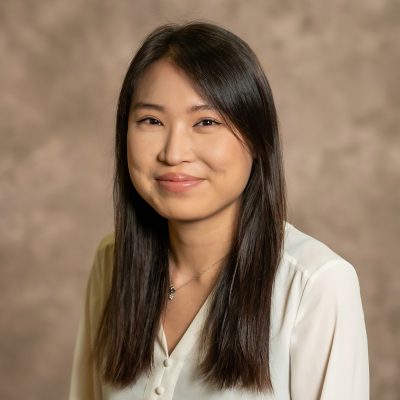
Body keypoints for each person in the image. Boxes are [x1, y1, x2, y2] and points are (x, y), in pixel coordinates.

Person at [69, 21, 369, 400]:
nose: (174, 153)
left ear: (259, 140)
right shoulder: (112, 264)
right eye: (151, 120)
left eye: (206, 122)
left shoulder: (316, 285)